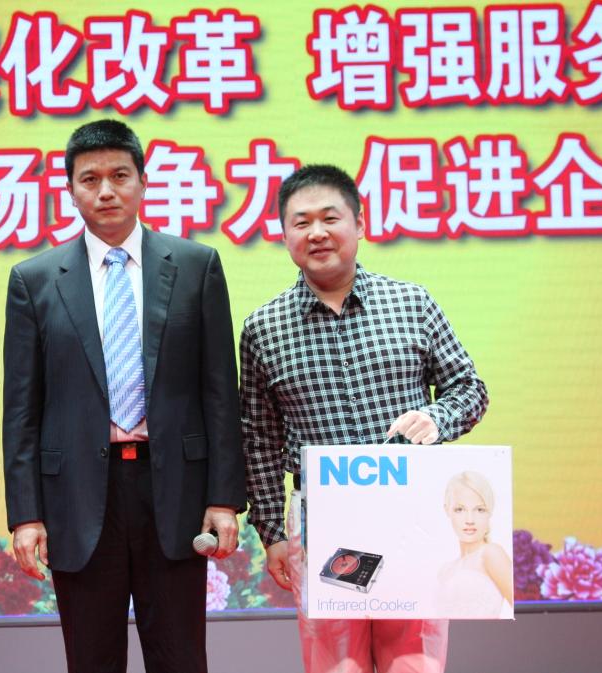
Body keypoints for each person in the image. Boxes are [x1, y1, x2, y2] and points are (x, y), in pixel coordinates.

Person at [2, 119, 246, 673]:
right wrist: (26, 514)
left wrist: (224, 498)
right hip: (78, 496)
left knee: (181, 659)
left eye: (119, 175)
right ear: (70, 191)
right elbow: (21, 409)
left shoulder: (195, 266)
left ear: (142, 182)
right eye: (89, 179)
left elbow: (219, 392)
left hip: (175, 491)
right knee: (91, 660)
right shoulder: (35, 280)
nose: (106, 190)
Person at [239, 164, 489, 673]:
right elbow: (259, 440)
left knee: (414, 661)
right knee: (336, 664)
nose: (317, 233)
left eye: (330, 218)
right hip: (322, 523)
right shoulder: (263, 328)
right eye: (301, 222)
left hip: (412, 514)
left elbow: (470, 389)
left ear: (359, 223)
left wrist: (437, 417)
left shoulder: (412, 302)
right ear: (284, 235)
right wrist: (272, 533)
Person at [435, 471, 512, 618]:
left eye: (479, 510)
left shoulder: (491, 553)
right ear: (447, 510)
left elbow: (520, 609)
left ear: (490, 511)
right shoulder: (445, 570)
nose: (469, 520)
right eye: (460, 509)